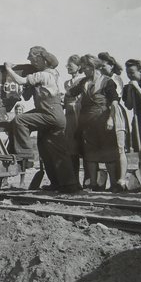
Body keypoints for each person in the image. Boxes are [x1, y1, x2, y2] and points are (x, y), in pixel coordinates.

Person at [4, 46, 79, 193]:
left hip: (49, 113)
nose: (29, 60)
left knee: (20, 120)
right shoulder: (52, 74)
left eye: (31, 58)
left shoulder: (43, 75)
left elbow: (20, 81)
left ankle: (25, 155)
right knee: (48, 150)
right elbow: (26, 95)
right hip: (50, 114)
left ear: (40, 58)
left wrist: (9, 69)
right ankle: (62, 184)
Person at [66, 55, 123, 192]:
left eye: (85, 67)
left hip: (102, 119)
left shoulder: (107, 82)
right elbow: (70, 93)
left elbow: (114, 102)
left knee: (109, 153)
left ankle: (114, 184)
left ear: (92, 67)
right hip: (86, 121)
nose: (83, 70)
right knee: (90, 154)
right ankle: (93, 184)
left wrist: (111, 119)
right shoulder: (84, 82)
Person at [98, 52, 128, 190]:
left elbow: (115, 99)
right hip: (104, 113)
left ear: (111, 65)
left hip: (115, 112)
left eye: (103, 65)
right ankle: (112, 181)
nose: (101, 68)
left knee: (120, 148)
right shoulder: (100, 79)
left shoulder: (116, 79)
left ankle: (121, 180)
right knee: (108, 149)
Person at [122, 59, 141, 179]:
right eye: (128, 73)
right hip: (138, 120)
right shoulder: (128, 87)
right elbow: (129, 106)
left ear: (140, 71)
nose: (130, 75)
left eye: (132, 72)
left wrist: (138, 89)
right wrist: (130, 90)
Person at [63, 55, 84, 185]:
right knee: (71, 149)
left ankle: (89, 180)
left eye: (70, 65)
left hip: (80, 114)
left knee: (85, 148)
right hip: (69, 116)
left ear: (79, 66)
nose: (68, 67)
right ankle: (74, 180)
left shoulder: (82, 80)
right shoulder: (67, 83)